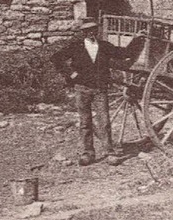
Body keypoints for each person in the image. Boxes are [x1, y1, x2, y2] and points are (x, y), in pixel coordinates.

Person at [51, 23, 139, 166]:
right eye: (87, 31)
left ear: (96, 31)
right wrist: (70, 74)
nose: (91, 33)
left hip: (100, 89)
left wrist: (137, 39)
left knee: (104, 122)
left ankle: (109, 153)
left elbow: (124, 54)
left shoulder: (104, 46)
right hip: (82, 88)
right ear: (83, 32)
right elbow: (56, 58)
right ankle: (87, 154)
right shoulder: (76, 47)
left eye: (93, 30)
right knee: (85, 122)